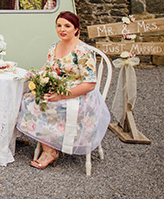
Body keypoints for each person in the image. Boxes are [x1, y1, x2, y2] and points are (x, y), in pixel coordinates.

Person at [17, 11, 111, 169]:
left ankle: (51, 150)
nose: (62, 29)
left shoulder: (84, 51)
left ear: (76, 29)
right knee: (31, 100)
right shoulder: (54, 46)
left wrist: (61, 96)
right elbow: (47, 68)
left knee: (52, 106)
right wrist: (36, 80)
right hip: (57, 89)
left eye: (67, 26)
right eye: (59, 25)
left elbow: (89, 84)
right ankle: (49, 147)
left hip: (78, 94)